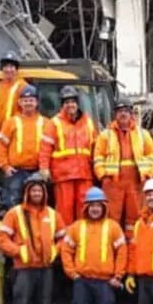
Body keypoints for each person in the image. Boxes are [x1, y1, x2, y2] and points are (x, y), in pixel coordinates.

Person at [0, 172, 66, 304]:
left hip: (45, 271)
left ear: (44, 192)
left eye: (39, 190)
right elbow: (2, 239)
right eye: (33, 190)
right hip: (23, 271)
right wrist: (18, 251)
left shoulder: (52, 215)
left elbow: (64, 238)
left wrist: (56, 250)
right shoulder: (15, 213)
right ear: (27, 192)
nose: (36, 193)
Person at [61, 187, 127, 304]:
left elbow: (122, 251)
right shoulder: (76, 227)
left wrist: (118, 276)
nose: (95, 209)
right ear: (86, 207)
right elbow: (66, 250)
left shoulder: (113, 227)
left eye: (99, 205)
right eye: (92, 205)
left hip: (105, 283)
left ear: (104, 206)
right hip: (82, 281)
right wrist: (72, 274)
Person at [93, 97, 153, 240]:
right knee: (111, 216)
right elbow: (98, 157)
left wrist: (148, 174)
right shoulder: (106, 135)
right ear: (115, 114)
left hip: (135, 182)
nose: (123, 114)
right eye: (120, 111)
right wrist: (102, 175)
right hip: (112, 182)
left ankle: (132, 246)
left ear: (131, 114)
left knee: (134, 217)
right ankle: (111, 245)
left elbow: (152, 154)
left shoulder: (142, 134)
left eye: (126, 111)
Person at [39, 85, 97, 226]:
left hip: (85, 174)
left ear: (77, 103)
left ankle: (83, 238)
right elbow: (45, 148)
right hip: (63, 175)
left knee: (85, 209)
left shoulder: (88, 122)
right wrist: (44, 168)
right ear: (62, 105)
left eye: (72, 101)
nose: (70, 105)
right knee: (65, 210)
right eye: (66, 102)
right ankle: (66, 242)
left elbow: (96, 147)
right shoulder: (54, 123)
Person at [0, 84, 51, 209]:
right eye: (25, 100)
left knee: (40, 204)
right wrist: (5, 166)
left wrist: (46, 168)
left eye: (31, 100)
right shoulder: (11, 122)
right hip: (16, 171)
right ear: (20, 103)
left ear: (36, 102)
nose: (28, 103)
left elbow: (50, 148)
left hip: (38, 171)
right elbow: (1, 145)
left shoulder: (46, 123)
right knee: (13, 203)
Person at [0, 52, 26, 192]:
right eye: (6, 66)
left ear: (16, 69)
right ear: (2, 69)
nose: (9, 70)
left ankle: (6, 203)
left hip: (12, 138)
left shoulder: (22, 87)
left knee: (9, 171)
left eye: (12, 66)